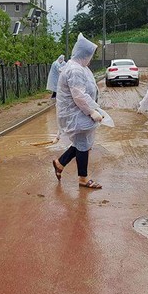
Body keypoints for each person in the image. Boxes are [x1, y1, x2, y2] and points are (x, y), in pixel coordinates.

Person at [52, 34, 104, 189]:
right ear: (84, 54)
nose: (91, 58)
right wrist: (91, 112)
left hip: (79, 112)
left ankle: (60, 163)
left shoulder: (81, 67)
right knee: (82, 145)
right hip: (76, 113)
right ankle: (83, 179)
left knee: (83, 143)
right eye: (90, 55)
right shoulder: (75, 70)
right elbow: (79, 95)